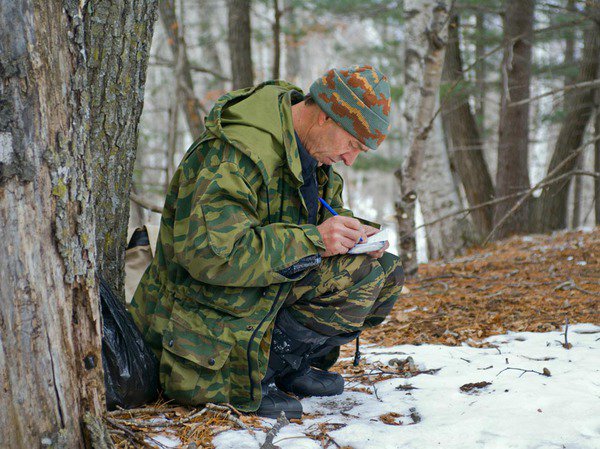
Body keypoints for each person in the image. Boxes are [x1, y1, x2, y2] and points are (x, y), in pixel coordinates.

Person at [129, 65, 405, 419]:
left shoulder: (311, 150)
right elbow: (211, 256)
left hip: (258, 287)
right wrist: (315, 240)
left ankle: (285, 365)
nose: (350, 160)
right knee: (353, 272)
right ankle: (248, 375)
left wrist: (352, 233)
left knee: (383, 271)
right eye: (352, 144)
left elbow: (318, 217)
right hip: (204, 307)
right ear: (325, 115)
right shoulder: (237, 154)